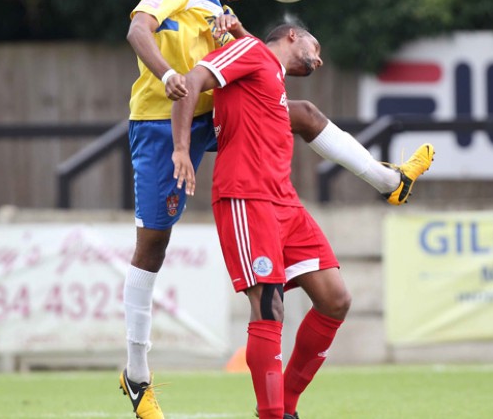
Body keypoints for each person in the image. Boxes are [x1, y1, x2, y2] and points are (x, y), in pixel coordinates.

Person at [121, 0, 432, 419]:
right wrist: (167, 80)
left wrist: (237, 31)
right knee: (153, 247)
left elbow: (243, 57)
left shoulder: (225, 18)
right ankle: (137, 374)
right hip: (165, 120)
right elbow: (140, 30)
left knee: (301, 112)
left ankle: (387, 180)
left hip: (214, 117)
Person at [171, 23, 433, 419]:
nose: (320, 57)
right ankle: (272, 414)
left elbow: (303, 112)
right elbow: (192, 80)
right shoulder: (252, 53)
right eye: (317, 44)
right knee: (268, 307)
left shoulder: (265, 69)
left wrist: (239, 30)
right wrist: (181, 148)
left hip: (284, 201)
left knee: (335, 300)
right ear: (292, 35)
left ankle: (288, 408)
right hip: (247, 197)